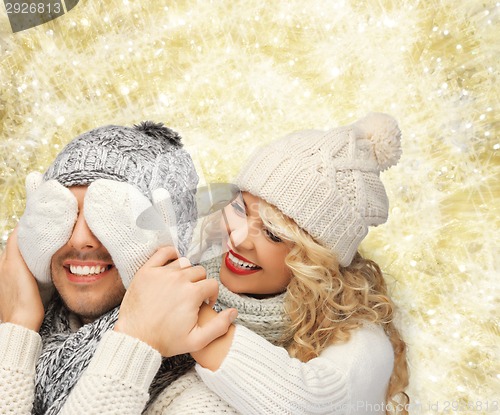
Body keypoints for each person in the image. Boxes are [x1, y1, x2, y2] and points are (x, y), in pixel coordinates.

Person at [147, 112, 411, 414]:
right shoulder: (198, 265)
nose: (240, 237)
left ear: (315, 260)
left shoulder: (363, 341)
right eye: (239, 209)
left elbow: (311, 403)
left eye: (273, 233)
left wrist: (190, 312)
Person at [0, 122, 235, 414]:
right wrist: (18, 325)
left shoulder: (201, 397)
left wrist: (136, 340)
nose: (80, 239)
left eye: (111, 218)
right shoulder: (17, 324)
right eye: (62, 214)